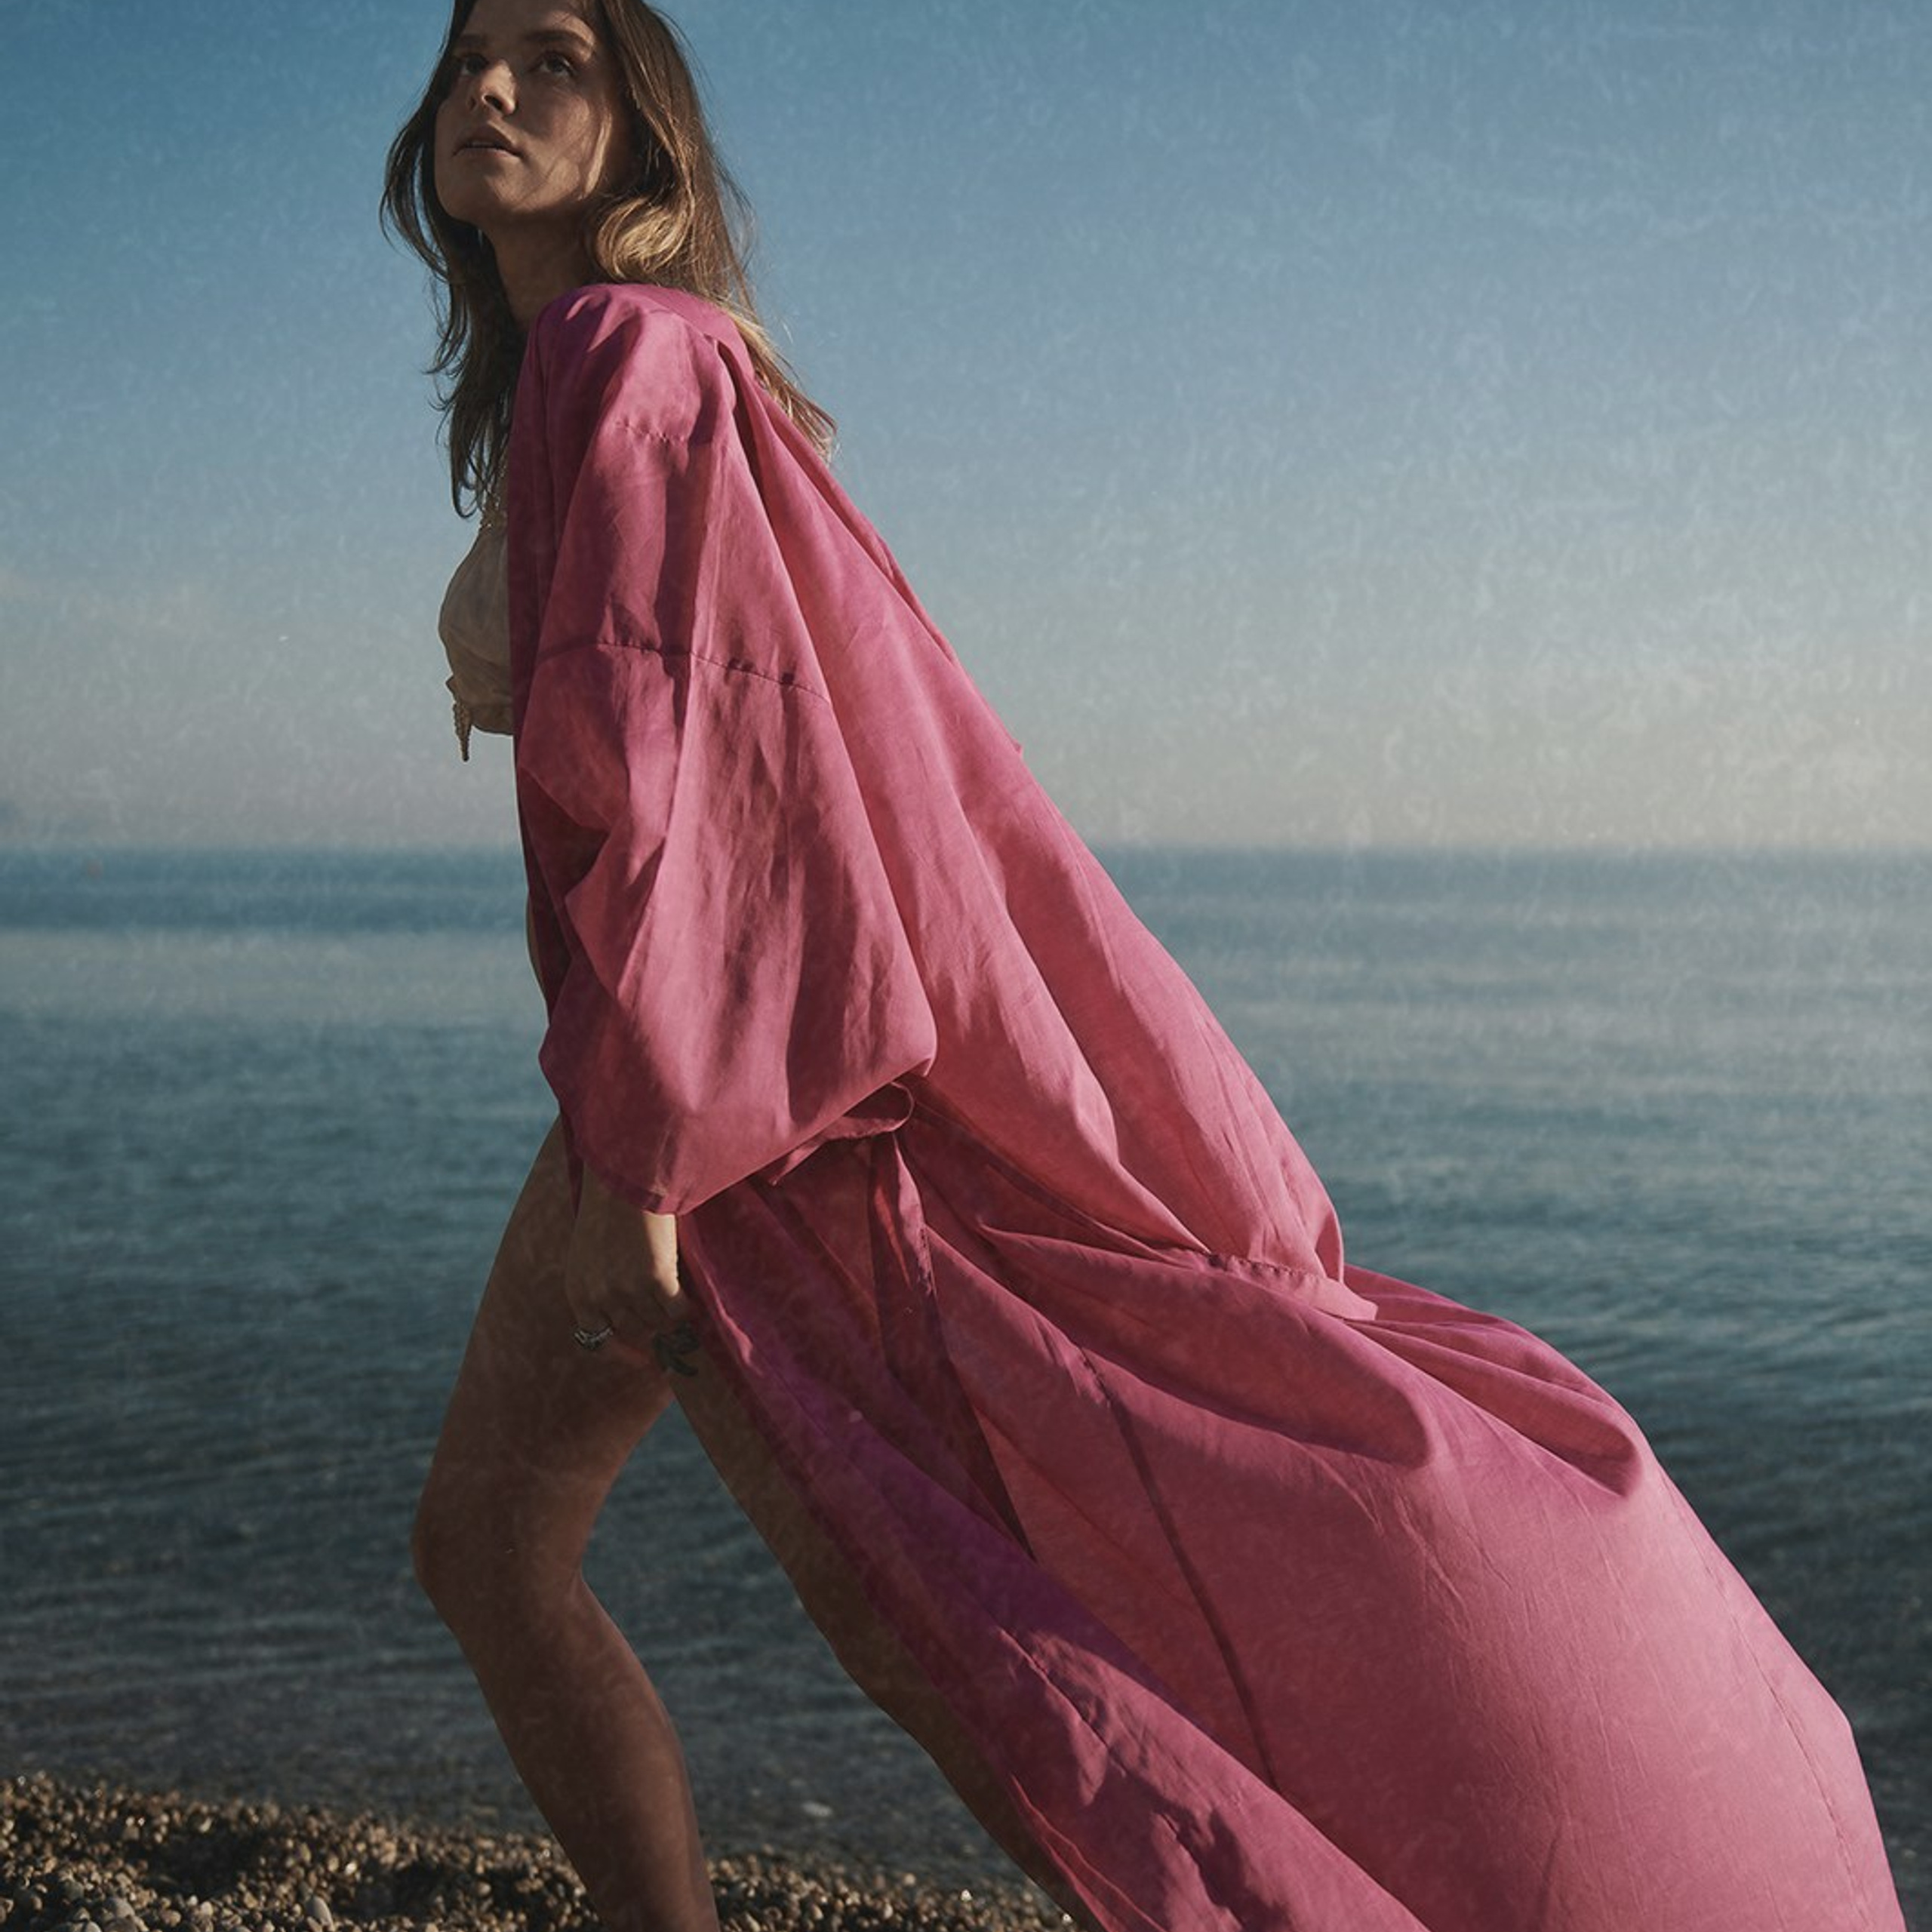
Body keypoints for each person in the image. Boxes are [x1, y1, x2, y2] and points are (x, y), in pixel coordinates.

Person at [381, 5, 1909, 1930]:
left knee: (867, 1613)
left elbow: (680, 756)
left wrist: (642, 1154)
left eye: (550, 57)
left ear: (646, 136)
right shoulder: (632, 373)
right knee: (873, 1608)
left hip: (718, 1108)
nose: (491, 90)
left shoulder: (626, 352)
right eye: (460, 64)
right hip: (711, 1074)